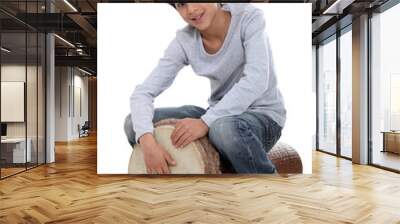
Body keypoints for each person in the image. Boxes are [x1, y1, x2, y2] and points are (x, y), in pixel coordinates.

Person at [124, 3, 286, 174]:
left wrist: (204, 122)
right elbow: (143, 93)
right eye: (181, 4)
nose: (191, 10)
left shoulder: (249, 17)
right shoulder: (185, 40)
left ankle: (269, 185)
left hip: (263, 115)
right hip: (218, 116)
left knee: (223, 129)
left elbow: (256, 80)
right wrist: (148, 143)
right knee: (133, 123)